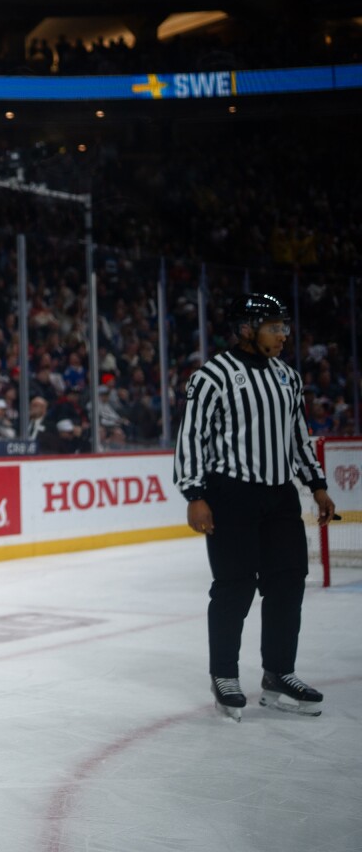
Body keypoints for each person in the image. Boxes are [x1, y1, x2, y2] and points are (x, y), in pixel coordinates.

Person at [174, 293, 336, 721]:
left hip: (280, 495)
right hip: (231, 495)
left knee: (288, 583)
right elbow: (192, 437)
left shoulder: (288, 377)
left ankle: (278, 673)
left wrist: (317, 485)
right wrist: (195, 495)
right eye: (274, 327)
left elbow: (298, 437)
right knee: (234, 586)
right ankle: (224, 675)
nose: (283, 335)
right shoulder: (212, 376)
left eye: (284, 327)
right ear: (246, 330)